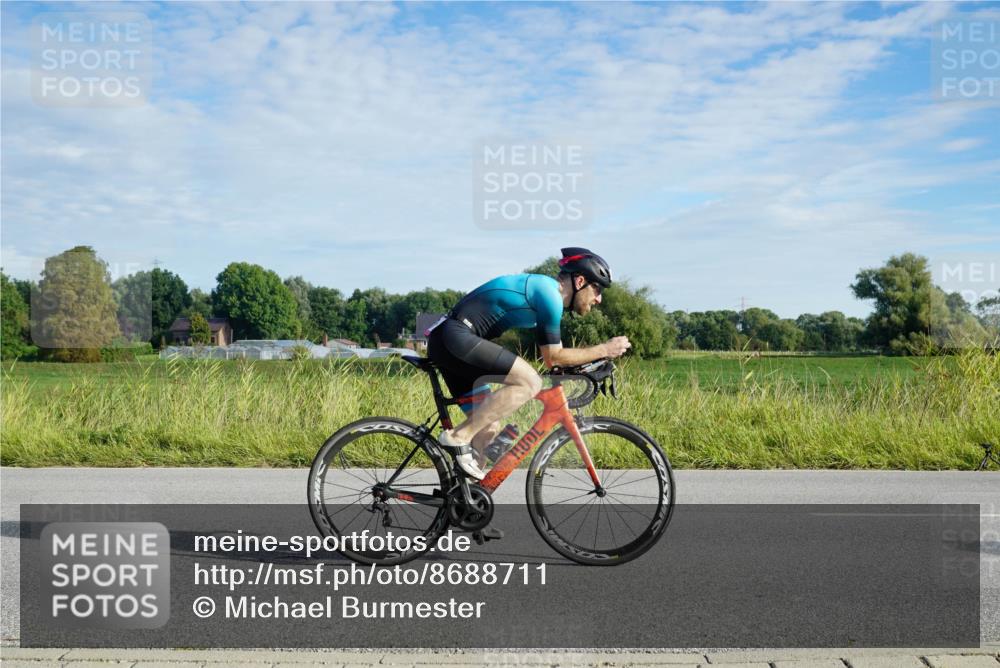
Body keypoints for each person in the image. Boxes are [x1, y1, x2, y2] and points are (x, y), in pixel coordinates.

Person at [426, 247, 631, 481]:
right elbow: (553, 357)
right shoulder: (550, 295)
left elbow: (559, 359)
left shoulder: (546, 295)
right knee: (529, 382)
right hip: (456, 337)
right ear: (580, 281)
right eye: (597, 288)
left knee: (488, 428)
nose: (599, 298)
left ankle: (463, 500)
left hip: (448, 342)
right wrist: (604, 349)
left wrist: (590, 364)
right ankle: (458, 437)